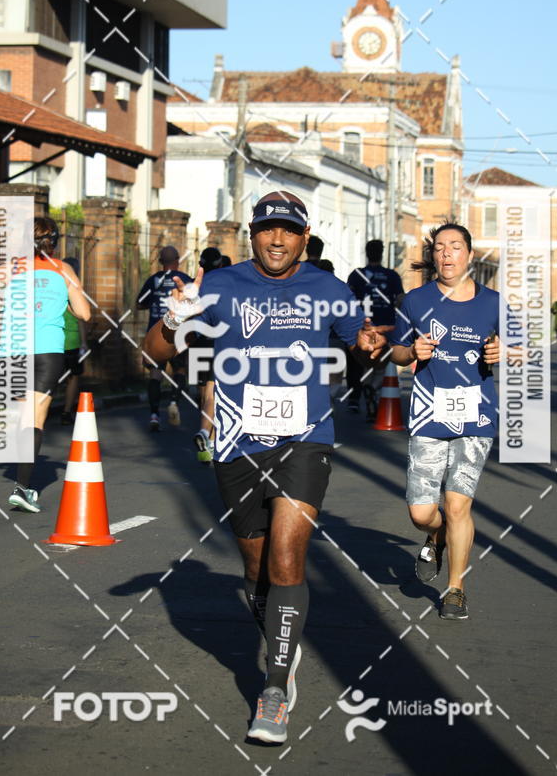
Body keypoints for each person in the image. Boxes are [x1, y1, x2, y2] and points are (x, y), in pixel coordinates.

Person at [145, 191, 385, 742]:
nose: (277, 239)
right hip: (237, 443)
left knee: (285, 555)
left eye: (289, 231)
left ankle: (274, 688)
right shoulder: (221, 285)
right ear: (251, 234)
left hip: (304, 437)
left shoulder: (328, 288)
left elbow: (366, 344)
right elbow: (154, 353)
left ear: (304, 238)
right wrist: (175, 318)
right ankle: (285, 641)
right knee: (256, 571)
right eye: (267, 229)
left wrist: (375, 345)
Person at [388, 222, 500, 620]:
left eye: (455, 246)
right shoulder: (416, 301)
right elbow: (397, 354)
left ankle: (456, 588)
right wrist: (411, 351)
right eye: (439, 248)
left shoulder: (493, 303)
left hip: (476, 414)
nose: (446, 254)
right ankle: (435, 536)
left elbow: (519, 352)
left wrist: (502, 352)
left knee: (457, 505)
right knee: (422, 513)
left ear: (469, 254)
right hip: (428, 415)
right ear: (433, 255)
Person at [0, 217, 91, 512]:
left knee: (23, 415)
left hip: (13, 350)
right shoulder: (62, 269)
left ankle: (21, 477)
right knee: (35, 420)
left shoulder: (14, 267)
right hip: (46, 352)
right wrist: (65, 301)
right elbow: (85, 313)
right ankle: (23, 488)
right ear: (53, 242)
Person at [346, 239, 404, 417]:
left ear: (366, 252)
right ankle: (373, 390)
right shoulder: (392, 276)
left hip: (363, 327)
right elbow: (401, 299)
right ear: (382, 253)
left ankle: (359, 394)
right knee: (381, 364)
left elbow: (347, 300)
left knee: (362, 362)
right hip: (385, 327)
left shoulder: (357, 275)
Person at [137, 246, 192, 430]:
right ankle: (174, 402)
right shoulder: (183, 280)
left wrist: (154, 303)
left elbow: (139, 303)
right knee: (180, 370)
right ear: (177, 260)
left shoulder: (153, 280)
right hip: (178, 335)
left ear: (161, 262)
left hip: (156, 334)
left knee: (155, 374)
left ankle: (154, 415)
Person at [192, 247, 223, 463]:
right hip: (218, 342)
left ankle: (205, 434)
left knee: (202, 392)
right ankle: (209, 436)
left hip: (196, 340)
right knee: (212, 393)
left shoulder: (198, 284)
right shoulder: (225, 283)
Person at [60, 257, 88, 425]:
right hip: (71, 340)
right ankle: (66, 412)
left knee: (49, 377)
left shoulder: (52, 287)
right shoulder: (75, 290)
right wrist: (84, 342)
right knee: (73, 377)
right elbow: (81, 318)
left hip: (51, 340)